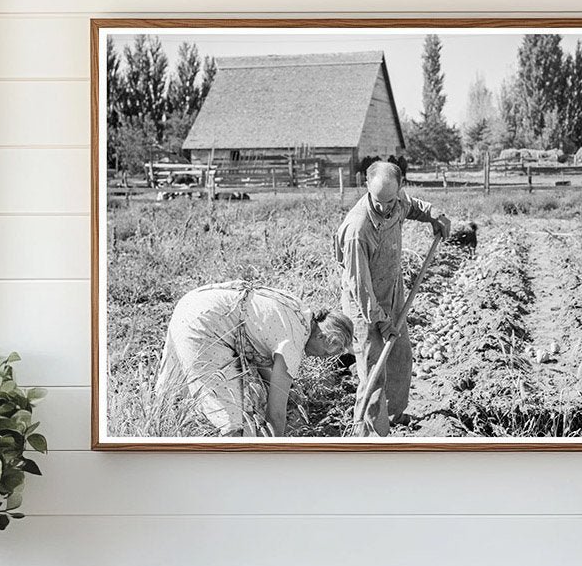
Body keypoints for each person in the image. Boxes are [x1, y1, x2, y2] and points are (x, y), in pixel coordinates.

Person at [334, 161, 451, 435]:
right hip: (364, 305)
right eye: (379, 201)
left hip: (392, 291)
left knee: (400, 356)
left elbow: (414, 206)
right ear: (366, 186)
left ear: (399, 189)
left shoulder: (396, 202)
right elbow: (360, 286)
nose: (385, 208)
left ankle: (395, 417)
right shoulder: (358, 229)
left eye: (390, 200)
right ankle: (373, 434)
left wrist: (435, 215)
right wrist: (381, 321)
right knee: (374, 370)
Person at [155, 282, 354, 437]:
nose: (321, 358)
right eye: (327, 352)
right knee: (231, 419)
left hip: (194, 302)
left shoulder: (300, 313)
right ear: (321, 336)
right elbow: (275, 415)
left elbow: (263, 356)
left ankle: (162, 434)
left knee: (172, 395)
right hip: (205, 323)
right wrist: (276, 454)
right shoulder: (293, 344)